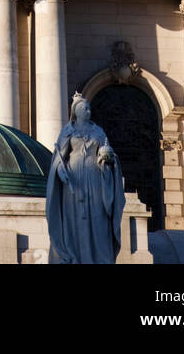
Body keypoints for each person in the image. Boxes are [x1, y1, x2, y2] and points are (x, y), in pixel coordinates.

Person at [46, 93, 125, 264]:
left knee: (98, 219)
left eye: (89, 108)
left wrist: (108, 157)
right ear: (76, 111)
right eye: (84, 108)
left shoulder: (98, 131)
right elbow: (59, 157)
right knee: (74, 221)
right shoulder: (67, 131)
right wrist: (60, 171)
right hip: (73, 183)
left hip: (96, 179)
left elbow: (107, 150)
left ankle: (99, 258)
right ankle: (73, 256)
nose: (88, 111)